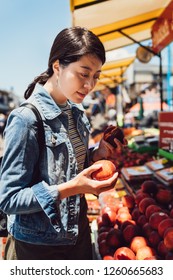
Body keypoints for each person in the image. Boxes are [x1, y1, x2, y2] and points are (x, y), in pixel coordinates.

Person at [0, 27, 125, 260]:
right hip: (37, 248)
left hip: (77, 235)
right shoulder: (26, 119)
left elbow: (61, 168)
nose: (89, 85)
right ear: (57, 66)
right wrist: (73, 188)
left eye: (96, 76)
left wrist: (95, 156)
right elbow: (8, 199)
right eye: (83, 73)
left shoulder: (76, 112)